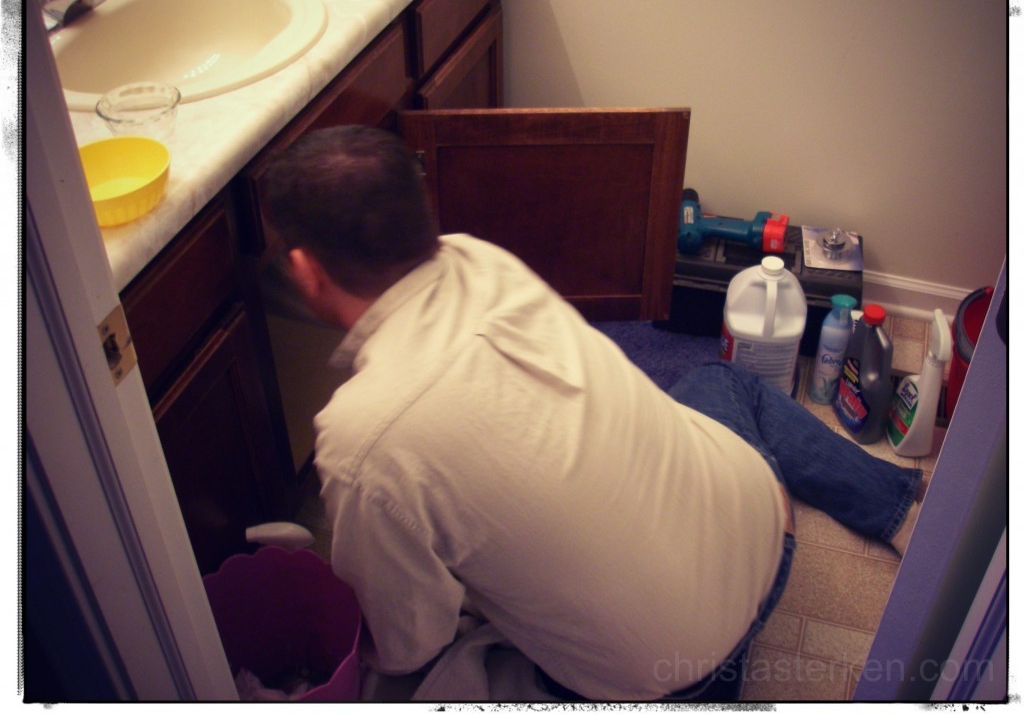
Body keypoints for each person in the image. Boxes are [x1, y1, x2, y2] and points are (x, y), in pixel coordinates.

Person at [264, 125, 923, 701]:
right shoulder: (478, 257)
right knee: (721, 380)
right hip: (763, 529)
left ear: (306, 270)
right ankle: (905, 513)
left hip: (682, 676)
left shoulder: (361, 442)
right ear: (422, 215)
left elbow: (410, 641)